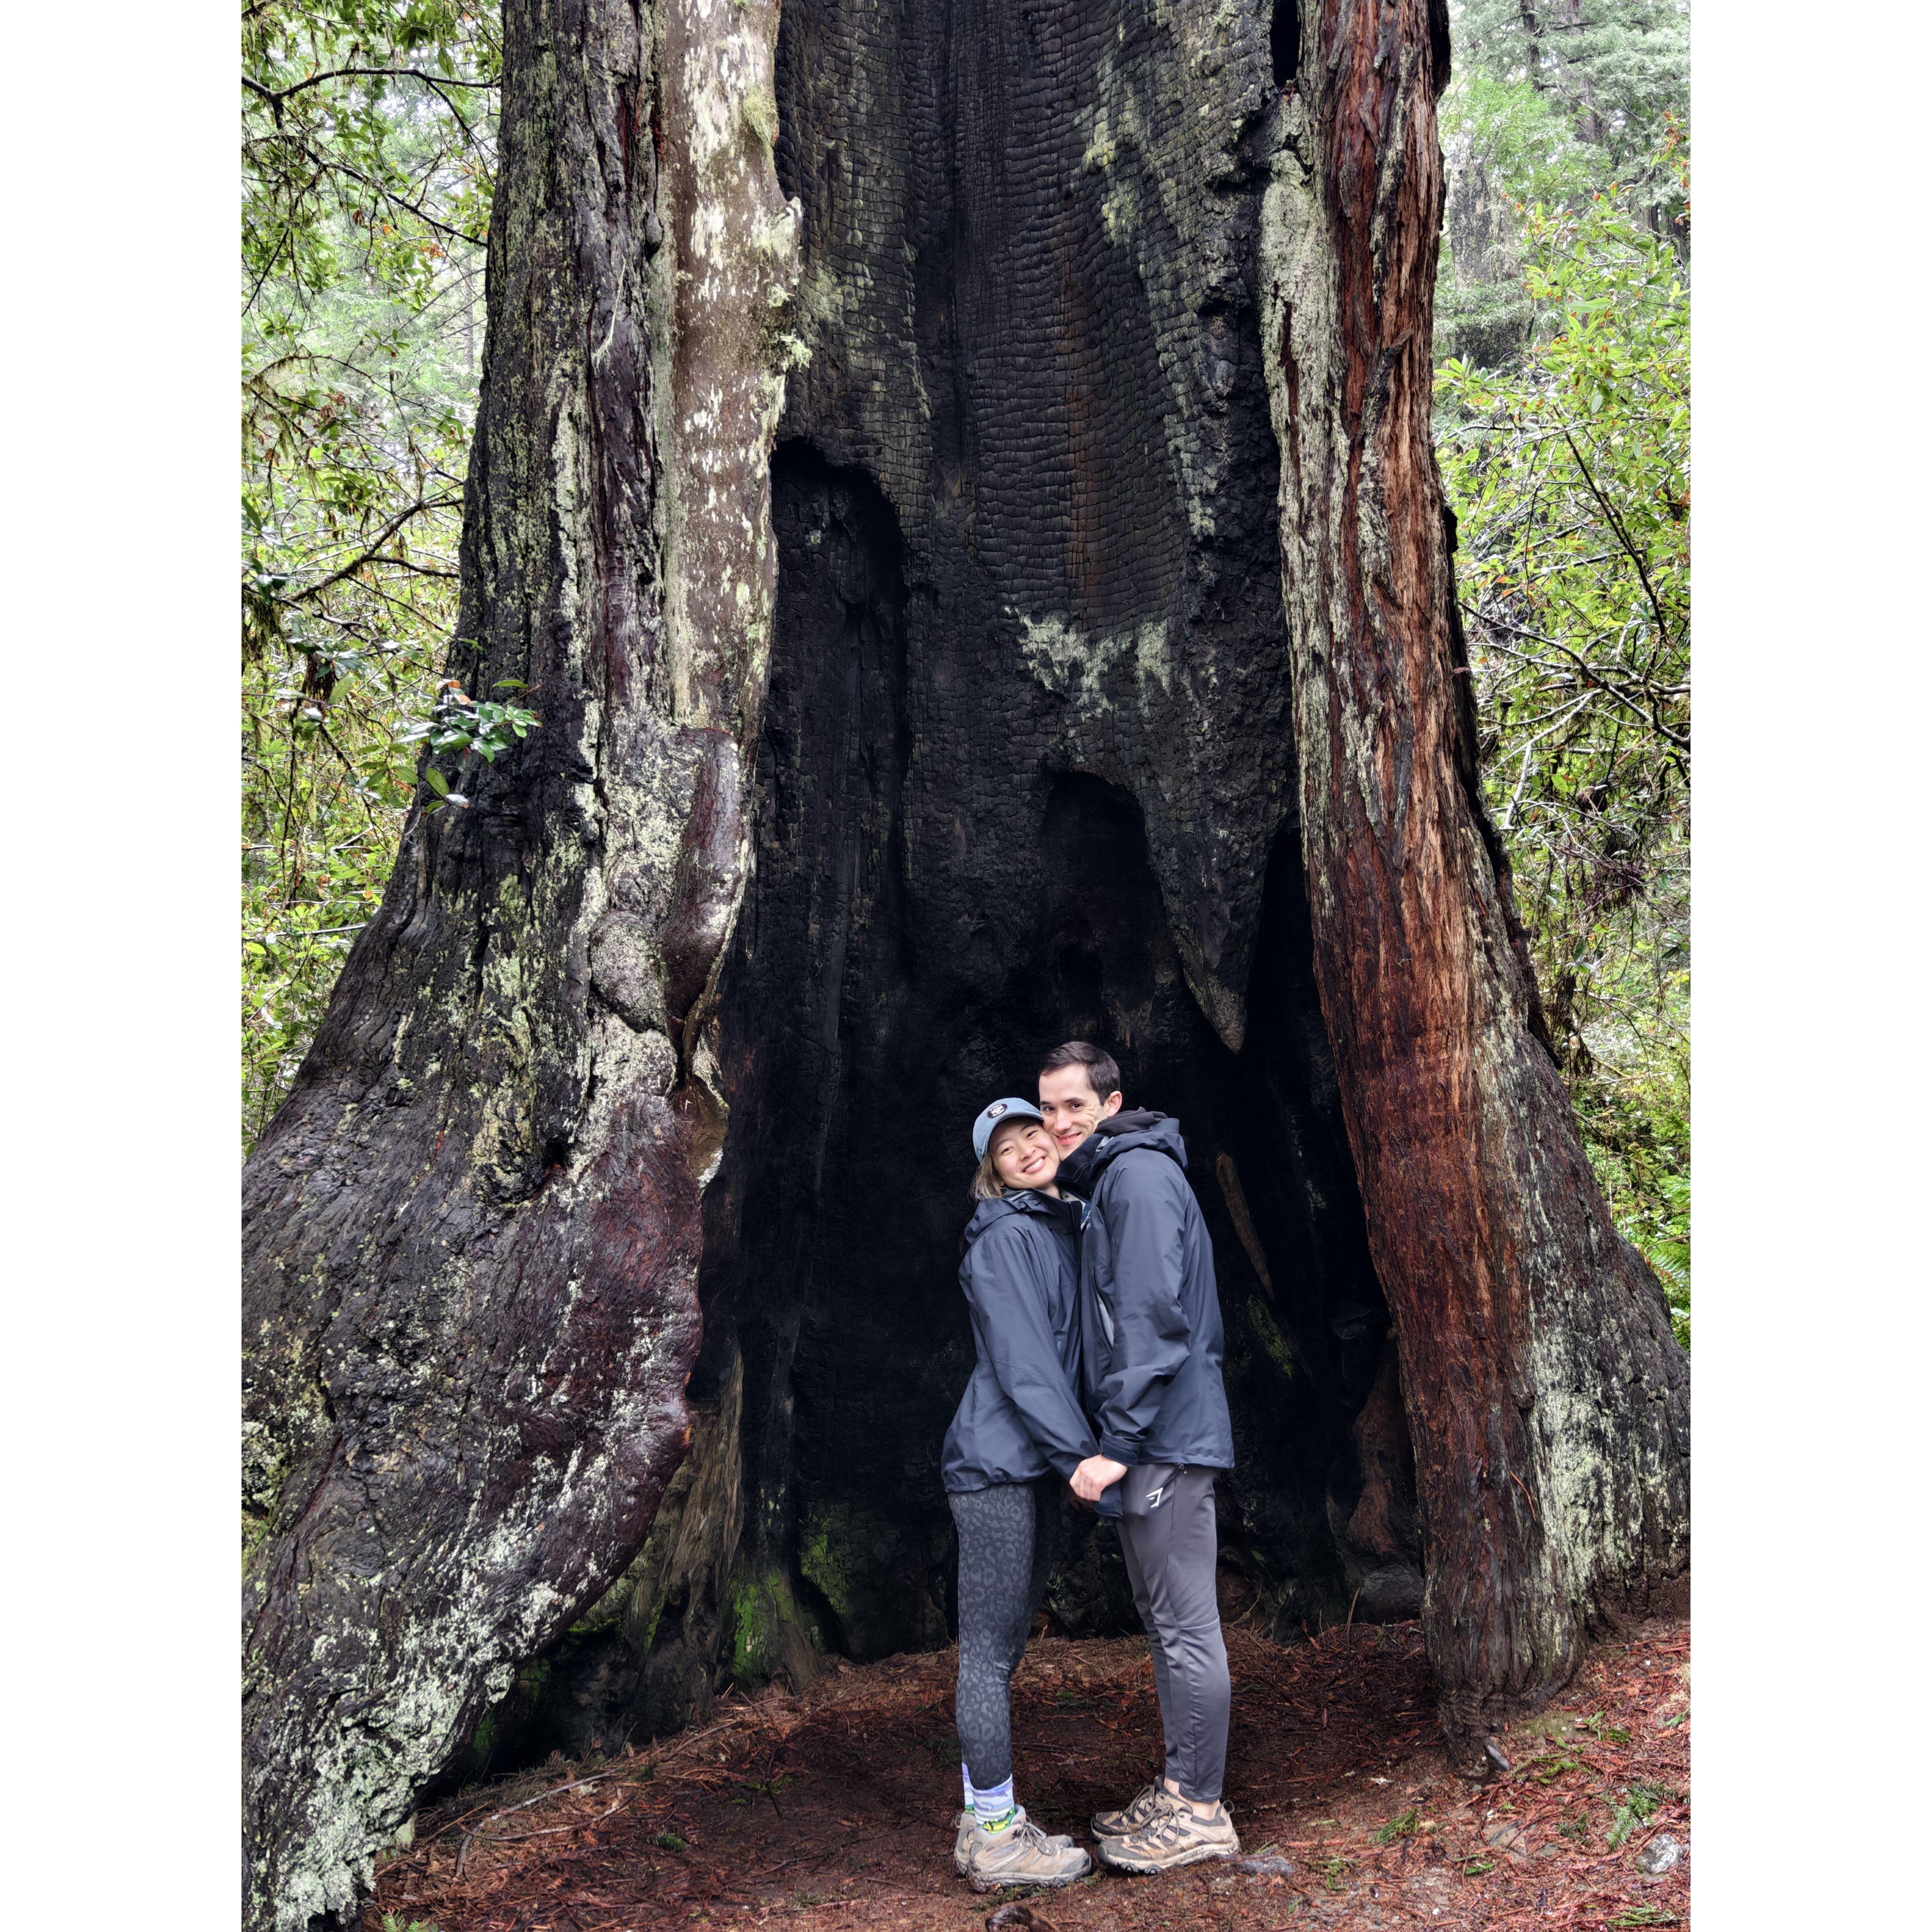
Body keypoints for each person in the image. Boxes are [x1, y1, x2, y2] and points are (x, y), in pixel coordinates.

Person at [1037, 1041, 1242, 1874]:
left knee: (1187, 1626)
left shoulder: (1142, 1178)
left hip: (1165, 1436)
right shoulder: (1115, 1179)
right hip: (1158, 1433)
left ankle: (1201, 1810)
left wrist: (1117, 1444)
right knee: (1166, 1624)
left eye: (1074, 1107)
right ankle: (1181, 1784)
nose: (1057, 1124)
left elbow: (1154, 1319)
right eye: (1047, 1108)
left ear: (1112, 1106)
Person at [940, 1097, 1103, 1892]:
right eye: (1007, 1149)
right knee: (989, 1655)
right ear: (994, 1175)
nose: (1027, 1149)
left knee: (1001, 1655)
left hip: (1025, 1464)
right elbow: (1027, 1363)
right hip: (999, 1465)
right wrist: (1078, 1456)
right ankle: (1001, 1838)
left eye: (1033, 1133)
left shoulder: (1057, 1227)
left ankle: (983, 1822)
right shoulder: (1006, 1238)